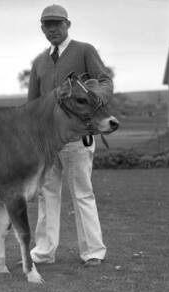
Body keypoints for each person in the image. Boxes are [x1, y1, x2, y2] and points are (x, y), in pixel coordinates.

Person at [28, 4, 113, 267]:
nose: (53, 29)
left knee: (83, 194)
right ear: (42, 28)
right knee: (46, 195)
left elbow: (105, 80)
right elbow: (32, 104)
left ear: (68, 25)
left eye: (57, 24)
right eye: (47, 24)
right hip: (47, 143)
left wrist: (94, 94)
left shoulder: (85, 51)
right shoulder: (39, 62)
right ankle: (43, 252)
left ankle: (93, 252)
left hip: (78, 138)